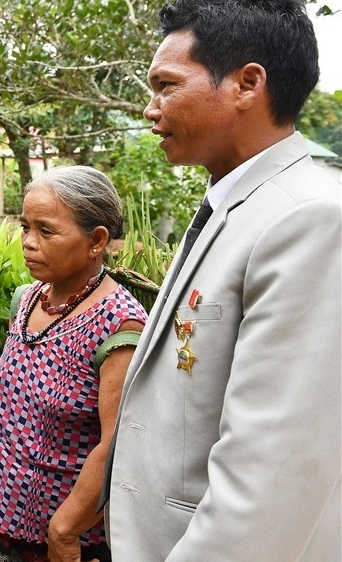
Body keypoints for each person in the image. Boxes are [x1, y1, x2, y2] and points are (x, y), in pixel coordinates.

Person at [103, 0, 342, 560]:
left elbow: (272, 476)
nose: (150, 109)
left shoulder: (309, 218)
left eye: (166, 85)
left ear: (247, 83)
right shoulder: (237, 202)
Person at [0, 166, 147, 562]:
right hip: (9, 530)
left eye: (46, 231)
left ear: (96, 240)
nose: (29, 243)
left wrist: (65, 531)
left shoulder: (119, 323)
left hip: (68, 546)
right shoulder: (27, 300)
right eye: (25, 227)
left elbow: (117, 443)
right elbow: (14, 411)